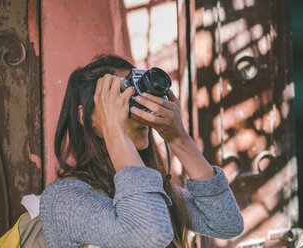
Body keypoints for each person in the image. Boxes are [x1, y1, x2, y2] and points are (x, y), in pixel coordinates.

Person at [39, 55, 244, 248]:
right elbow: (151, 234)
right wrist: (115, 132)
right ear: (87, 118)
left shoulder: (149, 187)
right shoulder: (63, 199)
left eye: (140, 97)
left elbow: (225, 223)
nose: (140, 113)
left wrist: (178, 137)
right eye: (123, 99)